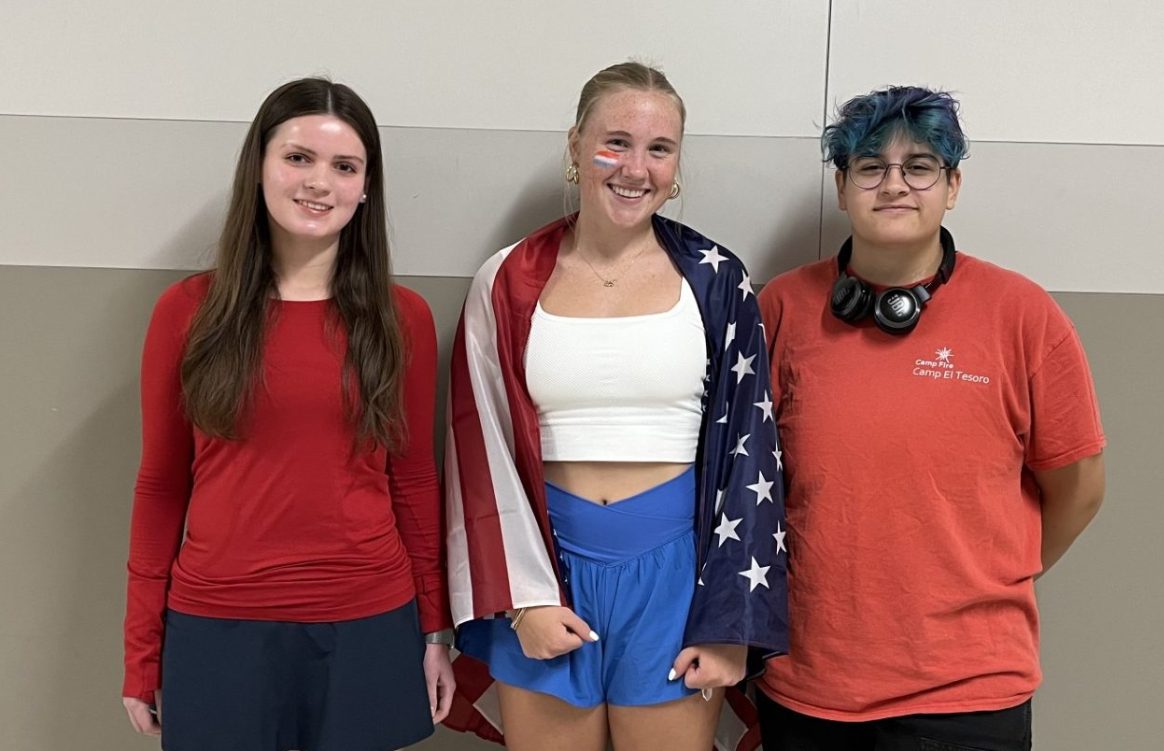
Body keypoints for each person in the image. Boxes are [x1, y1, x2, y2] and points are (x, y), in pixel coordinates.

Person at [442, 62, 788, 751]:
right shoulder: (507, 278)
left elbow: (755, 454)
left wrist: (727, 623)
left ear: (677, 164)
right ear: (575, 147)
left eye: (659, 149)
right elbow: (474, 444)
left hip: (674, 579)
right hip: (547, 569)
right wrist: (523, 599)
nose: (636, 167)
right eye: (615, 142)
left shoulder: (717, 280)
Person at [756, 86, 1107, 750]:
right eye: (870, 167)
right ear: (841, 186)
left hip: (967, 691)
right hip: (809, 686)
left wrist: (990, 575)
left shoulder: (1023, 315)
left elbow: (1081, 485)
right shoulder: (780, 309)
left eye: (919, 166)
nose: (894, 184)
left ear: (953, 185)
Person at [120, 77, 454, 751]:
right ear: (260, 168)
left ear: (365, 188)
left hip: (367, 619)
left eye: (344, 166)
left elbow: (415, 482)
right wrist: (141, 653)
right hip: (218, 623)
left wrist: (435, 629)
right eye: (298, 157)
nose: (319, 182)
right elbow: (161, 487)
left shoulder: (403, 320)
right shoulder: (187, 313)